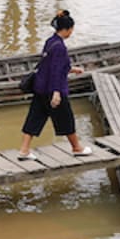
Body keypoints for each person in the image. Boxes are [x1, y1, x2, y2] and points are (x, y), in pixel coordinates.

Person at [19, 10, 93, 160]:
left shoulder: (50, 41)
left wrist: (73, 69)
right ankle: (77, 148)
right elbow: (55, 71)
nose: (72, 32)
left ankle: (24, 151)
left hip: (40, 88)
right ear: (66, 29)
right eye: (71, 29)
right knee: (66, 119)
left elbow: (51, 65)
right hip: (52, 89)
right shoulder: (60, 47)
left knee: (34, 118)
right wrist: (56, 92)